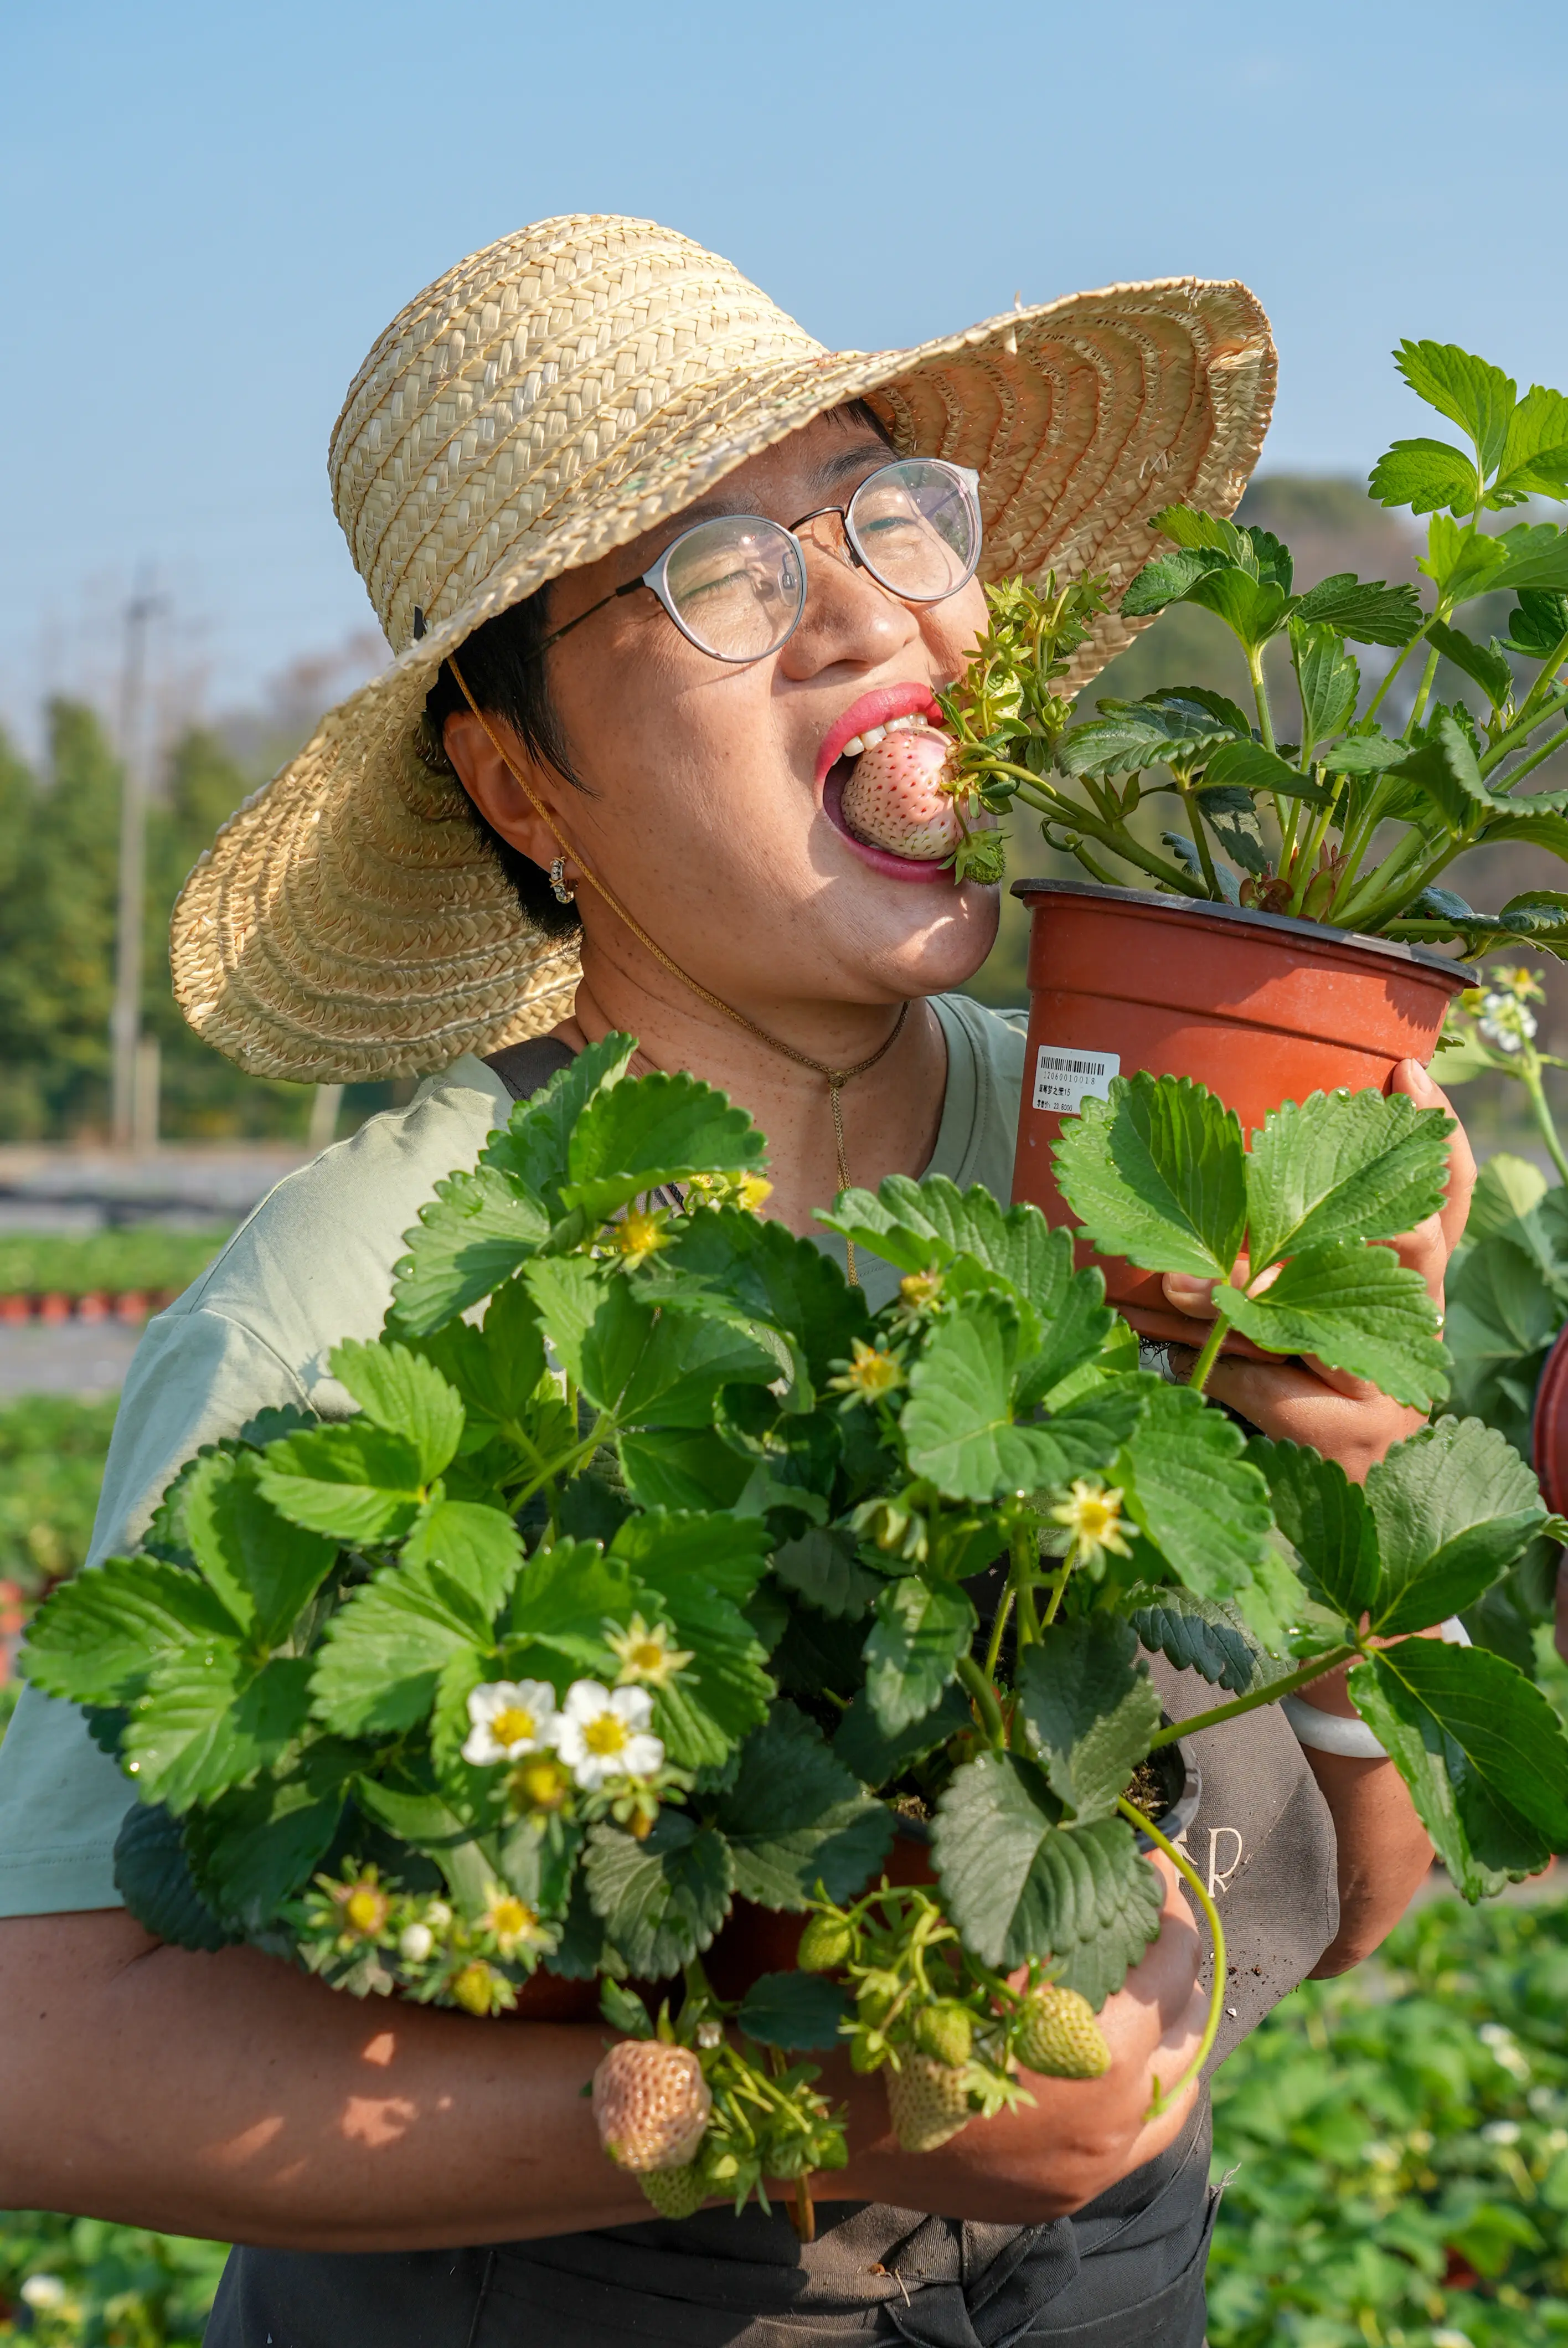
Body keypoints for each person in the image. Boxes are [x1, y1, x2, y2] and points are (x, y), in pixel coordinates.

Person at [0, 216, 1469, 2347]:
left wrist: (1353, 1485)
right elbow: (42, 2052)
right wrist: (800, 2111)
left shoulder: (1159, 1156)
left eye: (891, 513)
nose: (865, 607)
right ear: (524, 787)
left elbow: (1347, 1905)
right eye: (720, 573)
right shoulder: (358, 1293)